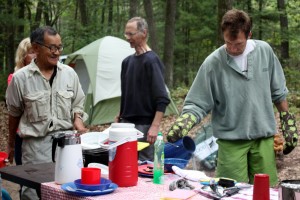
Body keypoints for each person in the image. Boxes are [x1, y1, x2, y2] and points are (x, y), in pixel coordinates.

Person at [167, 9, 298, 186]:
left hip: (263, 138)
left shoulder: (264, 52)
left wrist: (287, 121)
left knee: (266, 191)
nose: (232, 48)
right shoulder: (213, 63)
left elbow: (278, 91)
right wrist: (185, 121)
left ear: (249, 35)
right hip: (231, 141)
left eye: (238, 44)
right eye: (228, 43)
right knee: (230, 191)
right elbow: (197, 102)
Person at [6, 26, 88, 200]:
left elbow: (78, 102)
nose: (56, 52)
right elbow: (13, 114)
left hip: (66, 146)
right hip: (35, 147)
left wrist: (78, 117)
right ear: (36, 48)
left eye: (59, 47)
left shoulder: (69, 74)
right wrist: (11, 145)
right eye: (51, 47)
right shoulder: (21, 78)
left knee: (66, 191)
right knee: (32, 193)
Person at [115, 17, 170, 161]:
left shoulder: (152, 61)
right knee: (124, 165)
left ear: (143, 33)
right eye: (126, 34)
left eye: (131, 34)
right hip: (125, 126)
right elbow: (126, 92)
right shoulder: (126, 62)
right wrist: (119, 115)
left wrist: (155, 126)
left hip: (145, 126)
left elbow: (162, 98)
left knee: (145, 169)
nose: (127, 38)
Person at [7, 37, 36, 166]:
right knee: (24, 169)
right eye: (31, 52)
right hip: (23, 133)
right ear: (23, 56)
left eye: (37, 52)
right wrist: (11, 143)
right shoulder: (15, 78)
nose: (35, 56)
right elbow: (14, 109)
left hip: (43, 134)